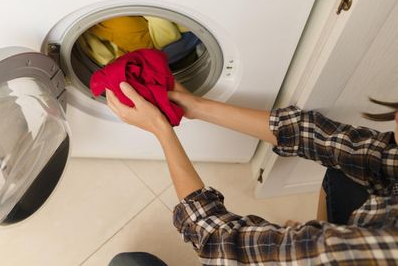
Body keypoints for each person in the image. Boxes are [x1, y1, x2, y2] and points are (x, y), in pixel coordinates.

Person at [106, 81, 398, 265]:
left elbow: (217, 239)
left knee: (127, 263)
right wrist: (197, 106)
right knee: (344, 172)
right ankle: (312, 238)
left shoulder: (375, 251)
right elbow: (325, 139)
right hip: (343, 243)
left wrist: (161, 129)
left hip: (344, 254)